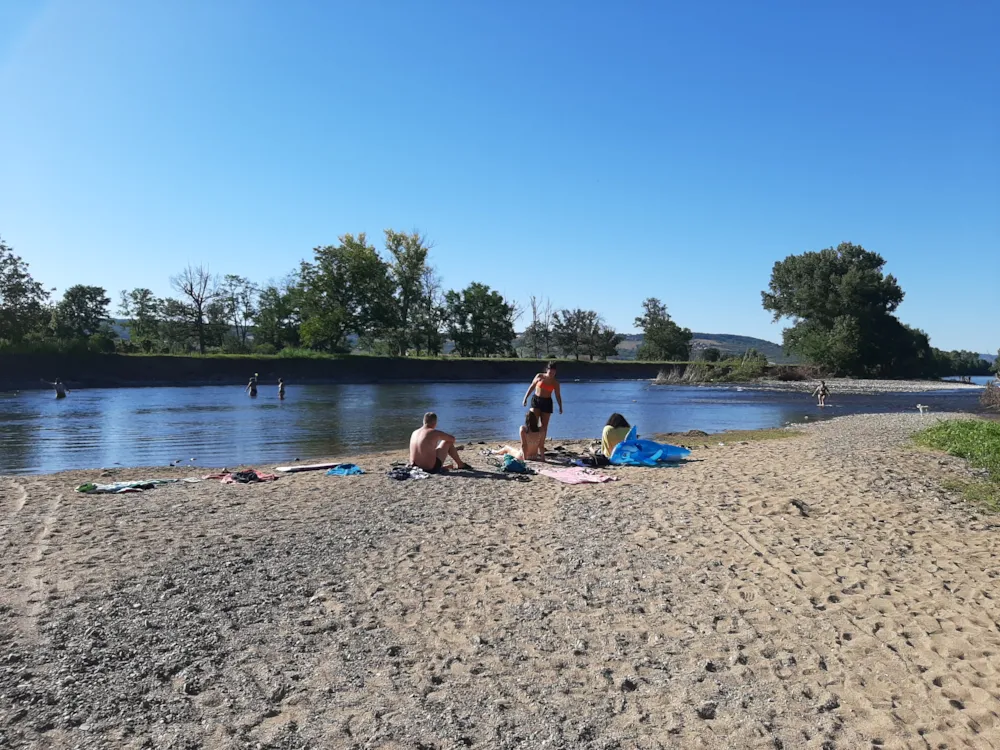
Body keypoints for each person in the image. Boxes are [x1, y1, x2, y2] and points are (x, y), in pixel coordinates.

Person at [522, 361, 563, 444]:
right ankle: (531, 442)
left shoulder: (555, 383)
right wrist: (525, 398)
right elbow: (532, 387)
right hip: (536, 400)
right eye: (550, 372)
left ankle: (541, 445)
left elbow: (558, 396)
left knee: (544, 426)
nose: (552, 374)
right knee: (532, 422)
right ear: (547, 370)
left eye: (554, 372)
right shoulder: (539, 376)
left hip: (547, 402)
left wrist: (560, 407)